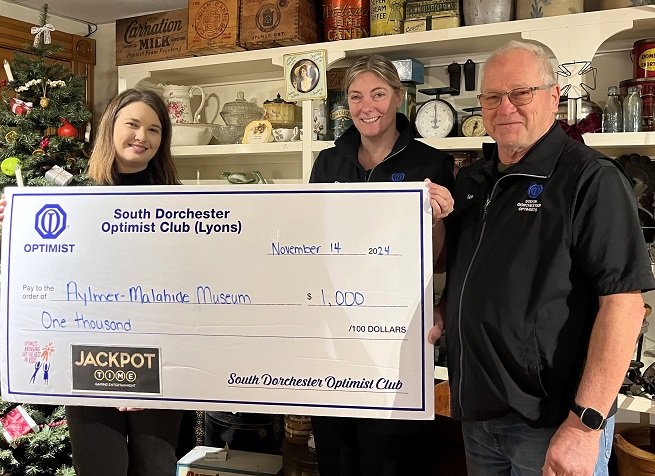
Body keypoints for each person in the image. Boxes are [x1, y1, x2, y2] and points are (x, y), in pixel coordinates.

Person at [428, 40, 655, 476]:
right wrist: (445, 308)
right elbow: (466, 271)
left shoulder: (591, 179)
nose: (505, 107)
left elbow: (624, 306)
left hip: (550, 424)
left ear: (553, 97)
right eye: (492, 97)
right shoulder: (475, 179)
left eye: (521, 93)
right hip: (478, 414)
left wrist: (585, 427)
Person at [310, 54, 455, 476]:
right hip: (333, 335)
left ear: (398, 97)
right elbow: (310, 244)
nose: (366, 106)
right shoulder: (328, 162)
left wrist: (439, 218)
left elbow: (443, 260)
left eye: (378, 94)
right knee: (335, 458)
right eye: (356, 97)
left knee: (388, 459)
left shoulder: (431, 163)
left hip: (398, 337)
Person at [66, 88, 184, 476]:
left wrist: (142, 375)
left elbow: (190, 290)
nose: (142, 137)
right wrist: (15, 222)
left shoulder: (180, 206)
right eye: (132, 124)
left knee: (156, 469)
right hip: (88, 361)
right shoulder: (72, 199)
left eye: (154, 130)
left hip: (159, 363)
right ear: (110, 128)